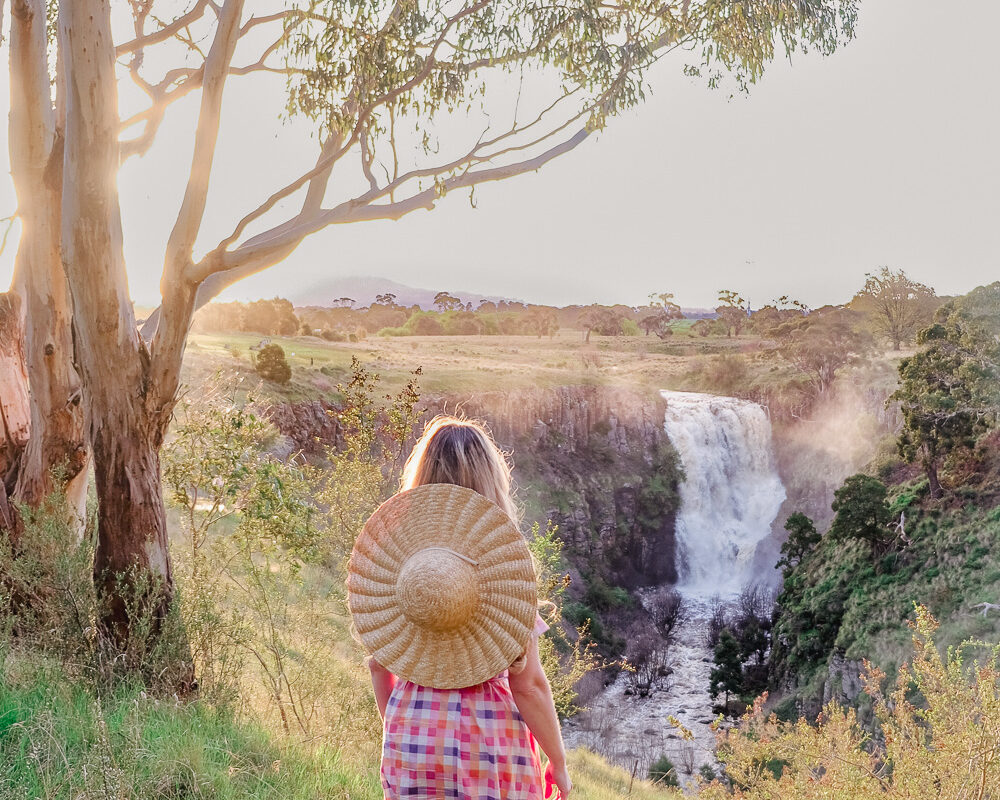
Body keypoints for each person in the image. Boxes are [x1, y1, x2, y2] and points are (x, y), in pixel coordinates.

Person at [347, 415, 572, 800]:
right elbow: (529, 685)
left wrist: (406, 726)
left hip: (411, 734)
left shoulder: (406, 567)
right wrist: (559, 762)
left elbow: (377, 665)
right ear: (491, 483)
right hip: (487, 743)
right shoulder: (500, 572)